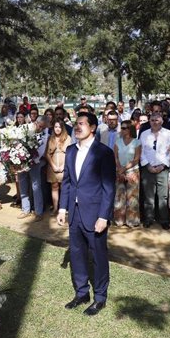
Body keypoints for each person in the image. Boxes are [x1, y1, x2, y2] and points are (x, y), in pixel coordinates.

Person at [57, 112, 115, 316]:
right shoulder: (71, 150)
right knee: (77, 254)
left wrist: (103, 216)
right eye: (76, 124)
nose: (77, 127)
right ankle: (82, 293)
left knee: (98, 256)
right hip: (74, 213)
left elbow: (109, 188)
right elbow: (67, 182)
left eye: (82, 124)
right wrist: (62, 208)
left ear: (92, 128)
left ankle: (100, 298)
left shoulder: (104, 152)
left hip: (95, 214)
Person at [139, 113, 170, 229]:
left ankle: (164, 219)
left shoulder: (169, 134)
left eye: (157, 120)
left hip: (163, 169)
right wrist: (147, 165)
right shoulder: (144, 134)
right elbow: (141, 151)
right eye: (152, 120)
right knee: (148, 196)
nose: (155, 122)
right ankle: (149, 218)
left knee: (163, 196)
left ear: (162, 121)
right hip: (147, 168)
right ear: (149, 122)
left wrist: (163, 166)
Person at [17, 116, 47, 221]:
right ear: (36, 123)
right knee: (23, 185)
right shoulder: (25, 128)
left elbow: (42, 150)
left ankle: (38, 212)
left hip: (35, 162)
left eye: (44, 127)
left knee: (36, 187)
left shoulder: (45, 134)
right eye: (41, 126)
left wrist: (31, 158)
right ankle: (25, 210)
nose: (41, 128)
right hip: (21, 161)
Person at [113, 119, 141, 227]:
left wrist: (124, 169)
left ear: (130, 129)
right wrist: (120, 170)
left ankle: (132, 221)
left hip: (133, 172)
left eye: (125, 128)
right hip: (119, 171)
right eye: (122, 128)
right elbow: (115, 157)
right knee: (120, 196)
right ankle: (119, 220)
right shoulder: (117, 141)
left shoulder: (137, 142)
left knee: (132, 197)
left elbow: (136, 159)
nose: (122, 130)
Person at [45, 119, 71, 215]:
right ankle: (55, 207)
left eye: (59, 127)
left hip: (64, 166)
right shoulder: (50, 138)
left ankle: (63, 208)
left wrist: (63, 166)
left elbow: (70, 153)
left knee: (64, 187)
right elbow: (47, 153)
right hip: (53, 166)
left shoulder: (68, 138)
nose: (57, 129)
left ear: (62, 128)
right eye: (56, 127)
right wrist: (53, 166)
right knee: (54, 187)